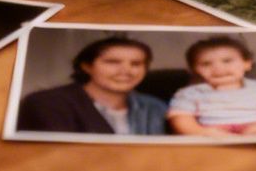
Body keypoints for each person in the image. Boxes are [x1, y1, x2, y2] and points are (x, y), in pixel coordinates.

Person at [16, 36, 168, 135]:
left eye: (136, 64)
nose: (126, 71)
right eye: (112, 62)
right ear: (87, 66)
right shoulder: (47, 103)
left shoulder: (155, 107)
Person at [167, 37, 256, 137]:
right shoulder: (189, 94)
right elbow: (181, 119)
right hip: (213, 136)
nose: (218, 68)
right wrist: (201, 132)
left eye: (227, 61)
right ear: (194, 70)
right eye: (206, 64)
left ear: (247, 63)